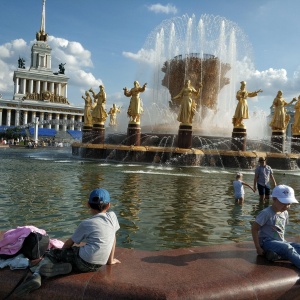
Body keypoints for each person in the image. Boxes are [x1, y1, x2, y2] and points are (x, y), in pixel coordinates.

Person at [14, 188, 121, 296]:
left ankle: (36, 276)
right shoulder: (112, 217)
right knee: (74, 254)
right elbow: (113, 237)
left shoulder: (86, 223)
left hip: (84, 262)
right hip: (99, 264)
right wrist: (110, 260)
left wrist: (59, 254)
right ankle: (66, 265)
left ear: (88, 204)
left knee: (52, 253)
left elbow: (69, 243)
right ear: (108, 206)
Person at [251, 184, 300, 266]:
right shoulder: (266, 213)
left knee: (297, 247)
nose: (287, 206)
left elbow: (281, 229)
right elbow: (254, 229)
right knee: (287, 248)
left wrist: (283, 242)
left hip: (280, 242)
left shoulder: (285, 213)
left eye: (289, 203)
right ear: (274, 199)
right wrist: (258, 247)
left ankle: (275, 256)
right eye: (284, 203)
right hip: (266, 242)